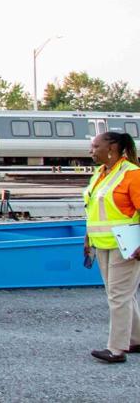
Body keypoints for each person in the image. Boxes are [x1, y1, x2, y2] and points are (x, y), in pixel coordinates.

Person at [83, 131, 140, 363]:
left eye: (95, 146)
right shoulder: (100, 174)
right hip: (102, 242)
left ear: (112, 148)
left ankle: (116, 349)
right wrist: (87, 239)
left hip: (125, 244)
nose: (91, 151)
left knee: (118, 296)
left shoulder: (132, 174)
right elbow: (92, 209)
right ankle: (136, 338)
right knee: (120, 295)